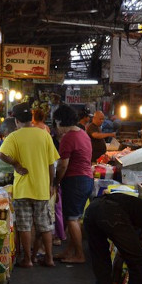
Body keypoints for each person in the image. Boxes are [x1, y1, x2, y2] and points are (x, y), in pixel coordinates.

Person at [0, 102, 59, 268]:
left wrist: (16, 165)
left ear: (17, 120)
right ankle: (49, 258)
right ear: (30, 118)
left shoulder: (14, 136)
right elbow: (51, 164)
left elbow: (1, 154)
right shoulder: (44, 134)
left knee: (25, 226)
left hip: (23, 189)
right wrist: (51, 184)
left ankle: (28, 260)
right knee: (45, 225)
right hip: (41, 188)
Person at [52, 104, 93, 264]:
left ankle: (79, 255)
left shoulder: (68, 137)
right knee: (73, 217)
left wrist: (56, 182)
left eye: (56, 123)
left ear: (61, 121)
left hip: (75, 181)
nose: (56, 128)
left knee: (72, 219)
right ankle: (69, 251)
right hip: (86, 180)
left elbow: (63, 165)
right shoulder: (82, 133)